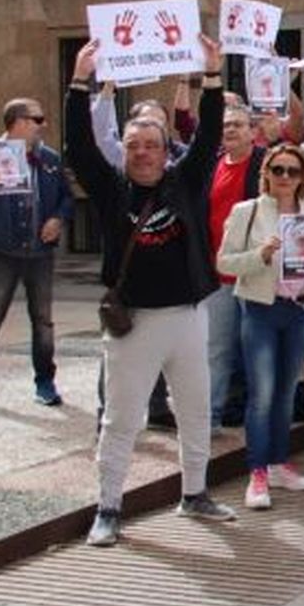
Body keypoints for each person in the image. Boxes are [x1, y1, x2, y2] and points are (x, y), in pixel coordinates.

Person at [65, 37, 237, 547]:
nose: (142, 155)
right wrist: (79, 81)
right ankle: (109, 507)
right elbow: (78, 144)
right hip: (133, 322)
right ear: (125, 151)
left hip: (186, 316)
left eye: (152, 146)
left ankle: (196, 493)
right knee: (121, 419)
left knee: (194, 410)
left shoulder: (184, 182)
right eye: (134, 146)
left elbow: (207, 139)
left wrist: (211, 74)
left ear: (166, 152)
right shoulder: (110, 186)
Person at [216, 144, 304, 509]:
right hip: (261, 309)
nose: (285, 178)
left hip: (298, 310)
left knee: (287, 392)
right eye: (278, 170)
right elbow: (225, 262)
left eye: (293, 171)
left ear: (302, 176)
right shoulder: (247, 211)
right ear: (267, 173)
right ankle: (257, 471)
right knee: (261, 394)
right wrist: (260, 255)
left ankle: (279, 462)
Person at [0, 98, 76, 409]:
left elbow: (67, 198)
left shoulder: (49, 159)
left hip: (39, 254)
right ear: (19, 122)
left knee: (43, 322)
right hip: (3, 253)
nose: (43, 124)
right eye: (38, 119)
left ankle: (45, 382)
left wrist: (57, 219)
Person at [204, 104, 265, 431]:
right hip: (219, 275)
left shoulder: (266, 165)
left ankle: (260, 422)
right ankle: (210, 419)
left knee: (257, 353)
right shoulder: (212, 166)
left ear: (252, 130)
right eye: (226, 125)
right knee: (216, 350)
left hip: (255, 274)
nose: (230, 130)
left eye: (238, 125)